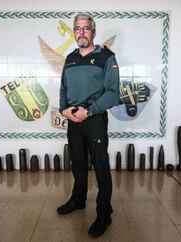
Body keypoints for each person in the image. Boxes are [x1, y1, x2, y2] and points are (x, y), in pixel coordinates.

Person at [57, 12, 120, 237]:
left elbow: (113, 93)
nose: (81, 32)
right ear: (74, 32)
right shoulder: (70, 58)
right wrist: (65, 109)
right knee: (78, 164)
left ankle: (104, 213)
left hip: (94, 120)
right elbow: (63, 88)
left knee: (101, 167)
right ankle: (78, 199)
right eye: (77, 28)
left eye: (85, 28)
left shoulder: (106, 57)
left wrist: (90, 110)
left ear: (93, 31)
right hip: (74, 121)